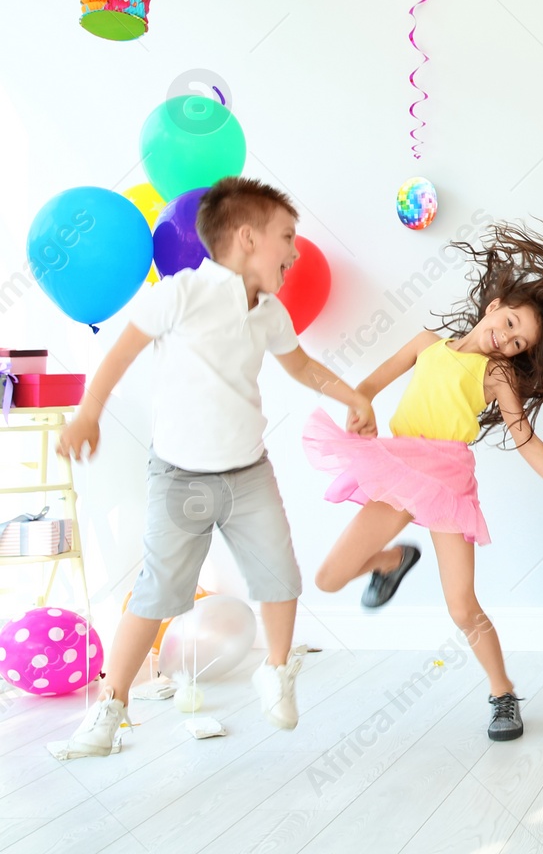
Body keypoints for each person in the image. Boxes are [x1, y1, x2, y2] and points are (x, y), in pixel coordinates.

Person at [54, 178, 374, 757]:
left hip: (248, 473)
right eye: (287, 238)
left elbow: (301, 367)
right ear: (247, 239)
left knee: (280, 576)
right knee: (156, 595)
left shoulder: (270, 312)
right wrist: (88, 415)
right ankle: (108, 710)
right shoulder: (178, 295)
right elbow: (118, 356)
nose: (295, 252)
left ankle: (275, 671)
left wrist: (352, 395)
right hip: (180, 477)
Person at [303, 223, 543, 741]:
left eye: (518, 341)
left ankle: (502, 694)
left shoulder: (497, 375)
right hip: (399, 465)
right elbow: (369, 383)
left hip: (448, 480)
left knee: (462, 605)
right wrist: (359, 406)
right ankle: (394, 559)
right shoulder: (427, 344)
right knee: (327, 579)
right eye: (508, 322)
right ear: (493, 305)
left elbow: (525, 438)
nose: (506, 337)